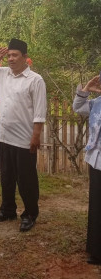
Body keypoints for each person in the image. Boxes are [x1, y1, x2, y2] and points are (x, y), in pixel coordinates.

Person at [0, 38, 47, 232]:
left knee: (26, 180)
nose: (10, 59)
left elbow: (39, 112)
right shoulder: (3, 74)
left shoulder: (35, 80)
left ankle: (30, 214)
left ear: (25, 57)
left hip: (24, 140)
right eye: (8, 55)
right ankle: (8, 210)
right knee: (7, 177)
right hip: (5, 137)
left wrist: (35, 137)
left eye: (14, 55)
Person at [73, 75, 101, 265]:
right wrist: (85, 91)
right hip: (97, 160)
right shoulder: (96, 103)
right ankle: (97, 250)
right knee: (97, 204)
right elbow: (78, 107)